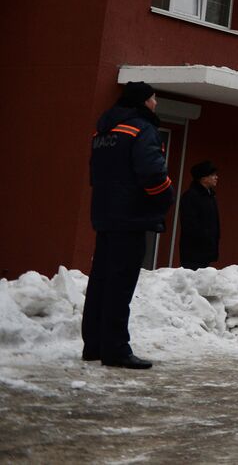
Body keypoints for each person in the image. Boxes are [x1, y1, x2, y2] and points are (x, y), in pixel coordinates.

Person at [82, 81, 174, 369]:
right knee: (121, 285)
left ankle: (94, 345)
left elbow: (95, 172)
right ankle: (116, 349)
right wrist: (164, 199)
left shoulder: (105, 129)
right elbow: (152, 173)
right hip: (131, 216)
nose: (156, 104)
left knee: (101, 282)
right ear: (143, 101)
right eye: (153, 98)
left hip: (105, 214)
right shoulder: (141, 128)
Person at [178, 160, 220, 270]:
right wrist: (203, 239)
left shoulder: (210, 197)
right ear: (203, 178)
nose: (216, 177)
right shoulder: (191, 197)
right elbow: (189, 225)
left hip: (206, 252)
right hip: (193, 252)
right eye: (212, 175)